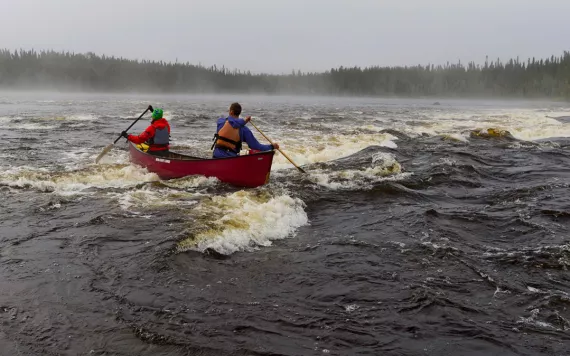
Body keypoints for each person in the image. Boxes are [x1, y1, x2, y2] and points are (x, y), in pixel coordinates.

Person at [212, 102, 279, 158]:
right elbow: (256, 146)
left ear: (231, 112)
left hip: (217, 156)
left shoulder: (220, 122)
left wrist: (244, 121)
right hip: (231, 158)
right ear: (239, 113)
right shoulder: (244, 129)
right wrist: (272, 146)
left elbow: (231, 121)